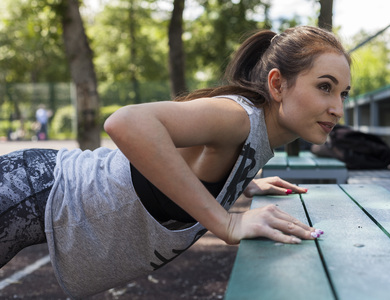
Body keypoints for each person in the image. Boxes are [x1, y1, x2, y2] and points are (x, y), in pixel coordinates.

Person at [0, 25, 351, 299]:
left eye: (343, 93)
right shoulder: (239, 116)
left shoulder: (255, 132)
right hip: (29, 189)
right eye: (325, 87)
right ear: (277, 85)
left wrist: (241, 184)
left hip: (38, 192)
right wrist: (225, 222)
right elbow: (125, 123)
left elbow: (198, 164)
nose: (338, 107)